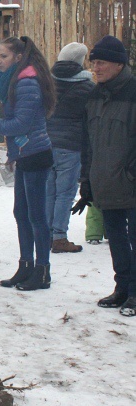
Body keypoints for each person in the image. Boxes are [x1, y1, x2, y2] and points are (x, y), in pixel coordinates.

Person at [0, 36, 56, 291]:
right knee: (21, 213)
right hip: (25, 154)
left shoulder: (27, 83)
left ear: (18, 58)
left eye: (4, 56)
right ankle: (26, 266)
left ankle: (42, 271)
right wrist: (13, 152)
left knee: (36, 216)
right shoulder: (17, 80)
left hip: (35, 155)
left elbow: (21, 123)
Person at [72, 35, 136, 316]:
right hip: (104, 181)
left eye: (101, 63)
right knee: (116, 239)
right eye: (93, 62)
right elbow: (87, 143)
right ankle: (122, 288)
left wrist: (131, 173)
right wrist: (87, 180)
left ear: (119, 64)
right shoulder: (95, 95)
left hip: (131, 183)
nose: (95, 68)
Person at [44, 42, 95, 254]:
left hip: (46, 145)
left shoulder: (47, 82)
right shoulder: (87, 87)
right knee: (64, 194)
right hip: (71, 147)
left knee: (48, 192)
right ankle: (59, 237)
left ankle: (45, 234)